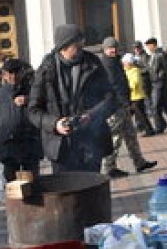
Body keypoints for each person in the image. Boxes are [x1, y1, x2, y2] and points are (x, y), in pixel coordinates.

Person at [27, 24, 118, 173]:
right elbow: (33, 110)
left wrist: (92, 115)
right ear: (64, 47)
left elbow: (110, 98)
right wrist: (55, 124)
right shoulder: (46, 69)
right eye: (77, 45)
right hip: (60, 147)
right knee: (67, 192)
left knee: (91, 191)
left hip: (91, 142)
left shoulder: (93, 64)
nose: (82, 48)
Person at [98, 38, 155, 179]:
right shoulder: (105, 64)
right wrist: (120, 101)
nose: (113, 50)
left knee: (130, 135)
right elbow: (113, 86)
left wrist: (128, 101)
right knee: (115, 138)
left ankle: (139, 162)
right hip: (114, 107)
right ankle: (109, 168)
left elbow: (122, 82)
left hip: (123, 104)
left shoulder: (116, 61)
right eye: (110, 48)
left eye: (115, 47)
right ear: (104, 49)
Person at [0, 58, 42, 183]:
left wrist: (29, 99)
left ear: (22, 73)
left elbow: (46, 106)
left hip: (30, 144)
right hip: (7, 146)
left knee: (33, 184)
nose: (13, 76)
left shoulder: (34, 92)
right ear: (4, 75)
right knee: (11, 185)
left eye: (16, 72)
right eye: (9, 73)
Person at [143, 38, 167, 133]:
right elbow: (150, 69)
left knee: (156, 106)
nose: (148, 47)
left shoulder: (161, 55)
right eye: (147, 45)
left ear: (154, 45)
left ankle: (160, 126)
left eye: (149, 45)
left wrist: (163, 78)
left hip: (160, 83)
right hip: (155, 83)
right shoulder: (152, 56)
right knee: (165, 106)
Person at [122, 54, 154, 137]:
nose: (124, 64)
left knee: (141, 115)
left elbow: (135, 82)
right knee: (131, 114)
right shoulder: (126, 70)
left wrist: (129, 88)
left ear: (130, 63)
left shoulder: (135, 70)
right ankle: (146, 129)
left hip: (137, 97)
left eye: (125, 62)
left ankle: (149, 130)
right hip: (131, 97)